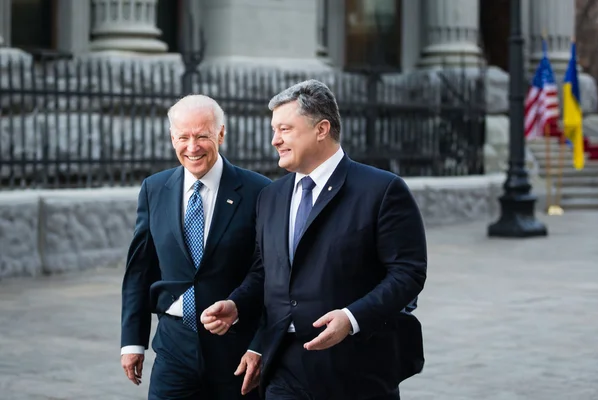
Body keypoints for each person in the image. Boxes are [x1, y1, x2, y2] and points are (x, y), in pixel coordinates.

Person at [200, 79, 428, 400]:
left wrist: (351, 319)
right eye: (274, 130)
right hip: (284, 366)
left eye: (285, 129)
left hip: (357, 366)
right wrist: (238, 303)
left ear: (321, 129)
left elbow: (408, 273)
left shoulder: (382, 190)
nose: (274, 140)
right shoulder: (271, 196)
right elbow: (267, 272)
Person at [120, 94, 270, 400]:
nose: (192, 147)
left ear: (222, 134)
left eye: (203, 136)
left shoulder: (259, 191)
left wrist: (260, 344)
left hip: (235, 348)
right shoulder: (154, 188)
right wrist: (132, 342)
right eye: (183, 137)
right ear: (172, 137)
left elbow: (269, 272)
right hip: (174, 345)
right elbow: (140, 269)